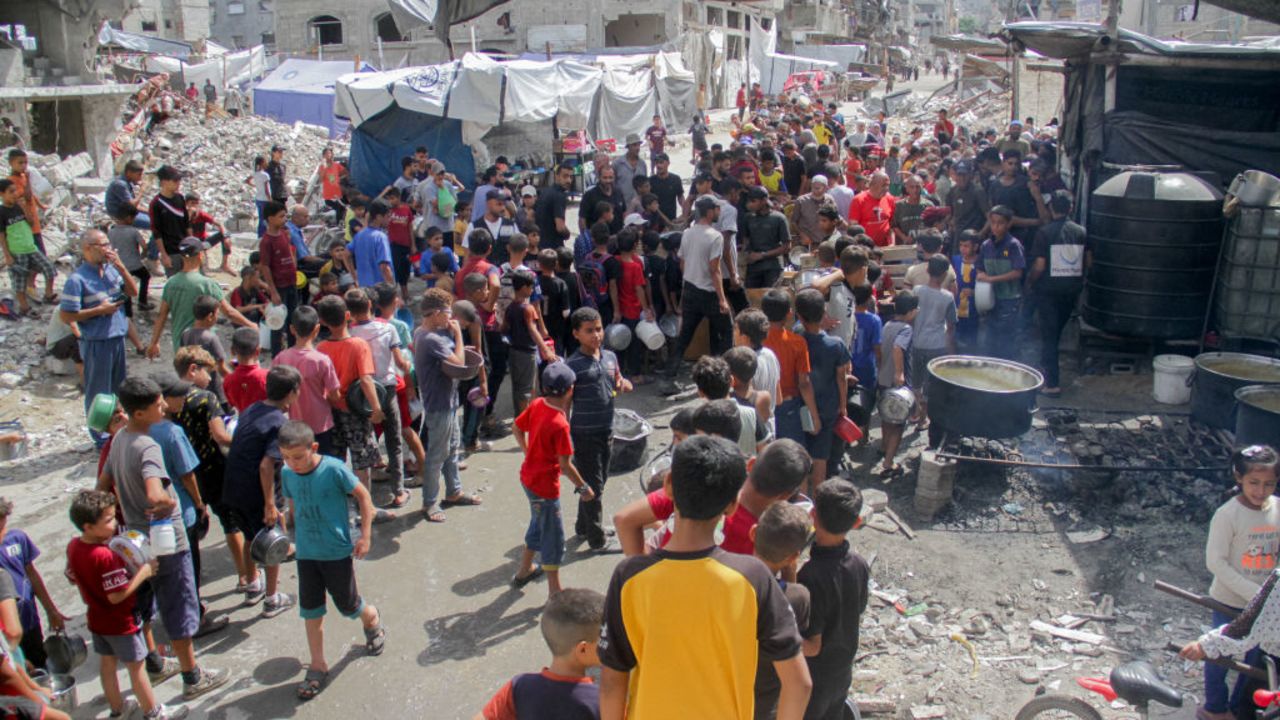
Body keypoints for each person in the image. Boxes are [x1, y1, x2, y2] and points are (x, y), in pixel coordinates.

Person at [598, 435, 812, 720]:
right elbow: (800, 683)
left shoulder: (628, 577)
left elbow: (612, 682)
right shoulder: (753, 577)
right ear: (732, 504)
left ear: (669, 485)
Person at [96, 376, 230, 701]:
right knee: (179, 604)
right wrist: (168, 501)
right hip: (165, 540)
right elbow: (157, 494)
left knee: (144, 605)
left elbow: (102, 486)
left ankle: (155, 664)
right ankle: (192, 676)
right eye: (157, 403)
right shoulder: (149, 445)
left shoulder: (117, 441)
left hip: (134, 541)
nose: (163, 406)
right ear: (139, 412)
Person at [277, 420, 385, 701]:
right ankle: (317, 664)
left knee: (349, 605)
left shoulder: (334, 469)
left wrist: (365, 537)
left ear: (313, 447)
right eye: (286, 457)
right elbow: (291, 507)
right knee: (311, 610)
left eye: (299, 457)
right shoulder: (287, 473)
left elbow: (363, 496)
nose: (293, 463)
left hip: (336, 551)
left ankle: (371, 618)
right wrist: (287, 535)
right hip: (306, 553)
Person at [66, 490, 190, 719]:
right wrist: (143, 573)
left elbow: (72, 575)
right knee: (137, 667)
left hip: (97, 618)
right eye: (108, 520)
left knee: (108, 664)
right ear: (87, 526)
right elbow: (116, 595)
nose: (114, 524)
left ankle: (118, 709)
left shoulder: (74, 546)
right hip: (120, 621)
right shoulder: (104, 556)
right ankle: (153, 712)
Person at [1188, 445, 1280, 720]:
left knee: (1255, 659)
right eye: (1254, 483)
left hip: (1264, 604)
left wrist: (1266, 595)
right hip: (1229, 599)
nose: (1260, 490)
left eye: (1268, 484)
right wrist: (1255, 594)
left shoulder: (1277, 509)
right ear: (1238, 478)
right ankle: (1214, 707)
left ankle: (1240, 708)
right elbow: (1216, 563)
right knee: (1219, 655)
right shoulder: (1228, 515)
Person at [222, 365, 300, 616]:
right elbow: (267, 465)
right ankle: (272, 598)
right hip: (258, 491)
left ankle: (252, 585)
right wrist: (270, 504)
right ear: (292, 393)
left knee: (249, 536)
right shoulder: (279, 423)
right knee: (273, 540)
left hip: (234, 486)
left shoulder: (253, 408)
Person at [510, 362, 592, 595]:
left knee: (538, 522)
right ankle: (555, 592)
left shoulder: (537, 405)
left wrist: (528, 453)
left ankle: (524, 570)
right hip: (545, 488)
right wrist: (584, 487)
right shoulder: (560, 424)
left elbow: (516, 428)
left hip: (528, 478)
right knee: (553, 537)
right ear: (570, 390)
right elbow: (565, 465)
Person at [799, 479, 870, 720]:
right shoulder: (859, 564)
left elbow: (812, 646)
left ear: (813, 515)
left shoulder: (810, 576)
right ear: (857, 522)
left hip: (814, 676)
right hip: (843, 667)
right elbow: (858, 609)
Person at [476, 588, 604, 720]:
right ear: (582, 649)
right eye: (605, 638)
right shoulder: (599, 701)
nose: (612, 644)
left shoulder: (520, 686)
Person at [414, 288, 482, 522]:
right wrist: (460, 337)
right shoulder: (430, 338)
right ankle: (429, 502)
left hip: (448, 400)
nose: (450, 318)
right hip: (439, 404)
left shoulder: (426, 332)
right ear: (434, 314)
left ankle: (454, 491)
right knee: (437, 454)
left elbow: (453, 355)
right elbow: (460, 363)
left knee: (453, 448)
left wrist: (457, 343)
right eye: (446, 313)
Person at [60, 230, 138, 431]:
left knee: (117, 389)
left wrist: (120, 266)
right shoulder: (77, 280)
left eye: (108, 245)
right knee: (98, 392)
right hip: (97, 341)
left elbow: (132, 292)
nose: (107, 250)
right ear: (88, 249)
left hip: (117, 337)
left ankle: (116, 429)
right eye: (102, 245)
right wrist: (98, 311)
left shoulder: (111, 271)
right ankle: (98, 434)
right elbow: (67, 316)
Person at [752, 502, 814, 720]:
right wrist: (791, 573)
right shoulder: (798, 597)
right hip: (763, 700)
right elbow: (797, 642)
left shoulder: (728, 577)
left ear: (753, 533)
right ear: (793, 556)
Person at [146, 237, 255, 359]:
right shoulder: (207, 284)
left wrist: (154, 343)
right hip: (203, 347)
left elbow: (162, 315)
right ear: (200, 256)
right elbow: (229, 312)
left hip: (180, 347)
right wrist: (251, 325)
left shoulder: (171, 283)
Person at [1026, 190, 1086, 397]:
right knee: (1056, 332)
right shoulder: (1080, 232)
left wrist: (1030, 282)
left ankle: (1052, 383)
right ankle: (1046, 367)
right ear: (1070, 207)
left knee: (1049, 337)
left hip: (1048, 292)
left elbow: (1040, 265)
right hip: (1070, 292)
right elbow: (1089, 262)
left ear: (1051, 208)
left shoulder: (1044, 233)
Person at [795, 289, 850, 491]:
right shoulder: (836, 344)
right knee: (820, 457)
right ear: (824, 311)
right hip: (827, 407)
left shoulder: (796, 337)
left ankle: (802, 498)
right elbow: (841, 378)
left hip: (801, 404)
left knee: (800, 452)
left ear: (799, 316)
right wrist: (843, 405)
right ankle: (817, 501)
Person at [668, 197, 733, 370]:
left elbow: (682, 263)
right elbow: (715, 270)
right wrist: (721, 299)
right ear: (710, 211)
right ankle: (726, 373)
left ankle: (669, 375)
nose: (719, 212)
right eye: (717, 209)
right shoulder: (715, 236)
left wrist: (690, 280)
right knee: (727, 332)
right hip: (709, 293)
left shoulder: (688, 233)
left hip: (690, 289)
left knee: (685, 336)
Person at [0, 499, 65, 670]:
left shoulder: (16, 539)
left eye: (3, 525)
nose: (3, 532)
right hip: (5, 634)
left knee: (39, 666)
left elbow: (32, 574)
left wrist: (51, 610)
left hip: (29, 621)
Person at [274, 305, 341, 455]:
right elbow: (335, 395)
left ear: (292, 329)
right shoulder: (322, 360)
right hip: (322, 425)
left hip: (295, 426)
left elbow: (276, 394)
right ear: (317, 329)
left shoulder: (280, 358)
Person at [762, 290, 821, 446]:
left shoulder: (756, 340)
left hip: (761, 404)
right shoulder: (797, 342)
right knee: (792, 456)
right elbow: (804, 383)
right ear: (789, 313)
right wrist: (814, 415)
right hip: (788, 406)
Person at [910, 255, 957, 430]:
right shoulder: (947, 297)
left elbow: (911, 317)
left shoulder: (916, 291)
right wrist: (951, 351)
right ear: (945, 274)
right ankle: (923, 418)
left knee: (916, 381)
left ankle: (915, 412)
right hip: (937, 346)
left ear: (928, 270)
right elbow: (951, 327)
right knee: (930, 384)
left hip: (917, 342)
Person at [0, 178, 57, 316]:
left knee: (49, 268)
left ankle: (48, 295)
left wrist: (24, 207)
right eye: (11, 192)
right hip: (17, 251)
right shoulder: (1, 211)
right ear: (2, 194)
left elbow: (31, 223)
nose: (15, 194)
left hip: (31, 247)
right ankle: (24, 308)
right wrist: (7, 255)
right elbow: (1, 235)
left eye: (15, 191)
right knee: (19, 281)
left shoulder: (18, 207)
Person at [976, 206, 1026, 360]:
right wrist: (982, 275)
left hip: (1009, 299)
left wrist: (991, 279)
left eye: (1000, 223)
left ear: (1009, 224)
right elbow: (979, 269)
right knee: (991, 338)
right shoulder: (986, 246)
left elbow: (1018, 272)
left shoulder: (1013, 245)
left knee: (1006, 340)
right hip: (991, 300)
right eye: (993, 222)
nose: (996, 226)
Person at [877, 292, 917, 477]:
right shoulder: (906, 329)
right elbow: (897, 348)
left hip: (883, 378)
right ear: (910, 312)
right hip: (897, 382)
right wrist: (899, 373)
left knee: (886, 415)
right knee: (899, 422)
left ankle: (884, 446)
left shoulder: (887, 324)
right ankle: (888, 462)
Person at [743, 186, 790, 290]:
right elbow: (746, 240)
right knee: (751, 298)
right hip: (753, 268)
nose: (750, 204)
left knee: (770, 299)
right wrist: (747, 253)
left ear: (764, 201)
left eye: (753, 201)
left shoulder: (779, 218)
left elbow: (786, 247)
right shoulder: (748, 218)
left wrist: (762, 255)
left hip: (773, 267)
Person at [224, 328, 268, 413]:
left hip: (243, 422)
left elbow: (232, 403)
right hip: (264, 421)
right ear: (258, 351)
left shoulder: (228, 380)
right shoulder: (267, 377)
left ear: (232, 351)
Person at [848, 171, 895, 247]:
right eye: (883, 185)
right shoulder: (858, 200)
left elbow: (891, 225)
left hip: (885, 248)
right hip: (865, 248)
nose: (886, 188)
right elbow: (853, 228)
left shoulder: (890, 199)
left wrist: (892, 243)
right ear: (872, 185)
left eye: (888, 185)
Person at [952, 230, 981, 351]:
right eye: (960, 245)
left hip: (974, 309)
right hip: (957, 307)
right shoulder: (955, 260)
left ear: (975, 246)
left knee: (971, 341)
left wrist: (975, 292)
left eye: (966, 246)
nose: (962, 249)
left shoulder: (980, 262)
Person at [947, 161, 989, 238]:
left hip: (972, 235)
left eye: (965, 175)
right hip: (957, 235)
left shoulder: (978, 191)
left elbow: (989, 217)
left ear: (970, 175)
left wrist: (981, 233)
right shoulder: (953, 191)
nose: (962, 178)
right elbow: (951, 213)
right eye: (959, 175)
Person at [535, 165, 574, 248]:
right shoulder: (559, 196)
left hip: (540, 244)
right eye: (565, 176)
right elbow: (560, 227)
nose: (569, 180)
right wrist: (567, 234)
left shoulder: (544, 192)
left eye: (571, 177)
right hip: (553, 245)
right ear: (556, 176)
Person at [793, 175, 836, 249]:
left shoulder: (829, 200)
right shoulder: (801, 201)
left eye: (818, 188)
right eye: (813, 187)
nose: (814, 190)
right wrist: (802, 235)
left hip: (824, 243)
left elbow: (835, 219)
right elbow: (793, 222)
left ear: (825, 188)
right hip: (806, 244)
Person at [580, 167, 626, 235]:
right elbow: (582, 219)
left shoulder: (618, 192)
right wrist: (586, 238)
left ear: (614, 177)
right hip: (598, 241)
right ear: (599, 177)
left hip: (617, 238)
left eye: (610, 177)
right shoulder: (589, 195)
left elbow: (624, 213)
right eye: (605, 178)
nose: (608, 180)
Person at [106, 160, 149, 230]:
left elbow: (135, 206)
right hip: (122, 216)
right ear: (129, 173)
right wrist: (142, 191)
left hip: (129, 212)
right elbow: (132, 205)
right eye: (139, 175)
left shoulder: (128, 182)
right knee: (156, 224)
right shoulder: (120, 184)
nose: (140, 178)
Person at [613, 135, 648, 207]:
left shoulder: (642, 164)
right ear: (628, 147)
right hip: (623, 205)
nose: (637, 148)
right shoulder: (618, 164)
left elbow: (645, 184)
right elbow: (612, 184)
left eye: (639, 145)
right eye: (634, 145)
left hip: (640, 206)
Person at [318, 147, 347, 227]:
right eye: (327, 154)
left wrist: (340, 178)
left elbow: (345, 172)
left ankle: (340, 224)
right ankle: (338, 224)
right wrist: (325, 167)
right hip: (328, 195)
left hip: (338, 193)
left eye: (330, 153)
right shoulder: (322, 166)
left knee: (341, 208)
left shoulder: (336, 165)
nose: (329, 155)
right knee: (339, 208)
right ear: (323, 156)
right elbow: (320, 179)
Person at [246, 156, 271, 237]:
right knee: (265, 219)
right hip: (265, 199)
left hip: (258, 198)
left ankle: (260, 234)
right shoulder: (265, 175)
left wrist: (255, 185)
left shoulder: (255, 174)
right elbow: (267, 190)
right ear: (262, 163)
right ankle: (263, 235)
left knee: (261, 218)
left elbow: (247, 180)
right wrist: (270, 200)